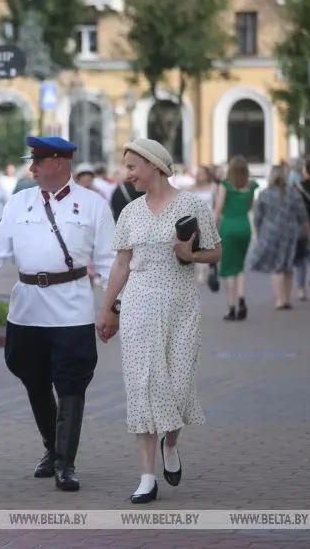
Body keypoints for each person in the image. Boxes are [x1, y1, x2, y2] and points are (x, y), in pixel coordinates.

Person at [0, 136, 117, 492]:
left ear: (59, 163)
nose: (31, 166)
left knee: (71, 382)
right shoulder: (19, 202)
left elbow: (109, 262)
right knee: (34, 378)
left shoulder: (93, 205)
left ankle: (66, 463)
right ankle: (52, 449)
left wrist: (112, 306)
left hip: (72, 309)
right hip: (28, 309)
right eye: (31, 160)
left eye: (38, 160)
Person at [97, 138, 221, 504]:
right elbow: (121, 264)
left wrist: (190, 253)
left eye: (133, 167)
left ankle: (172, 443)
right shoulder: (130, 212)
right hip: (138, 302)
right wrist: (106, 308)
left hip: (182, 304)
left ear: (154, 165)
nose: (128, 174)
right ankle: (147, 476)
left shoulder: (192, 205)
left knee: (178, 386)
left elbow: (215, 251)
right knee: (144, 386)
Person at [249, 165, 310, 310]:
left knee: (276, 267)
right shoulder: (293, 193)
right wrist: (307, 234)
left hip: (270, 233)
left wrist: (258, 235)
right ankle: (287, 298)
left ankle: (279, 299)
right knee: (288, 266)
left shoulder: (264, 194)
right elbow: (303, 216)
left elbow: (257, 218)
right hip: (290, 233)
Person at [214, 156, 258, 320]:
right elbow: (251, 207)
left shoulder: (225, 185)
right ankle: (241, 298)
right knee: (239, 266)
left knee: (228, 267)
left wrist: (212, 228)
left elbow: (218, 208)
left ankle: (231, 307)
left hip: (228, 227)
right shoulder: (251, 186)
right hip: (244, 227)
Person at [295, 160, 310, 300]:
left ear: (306, 171)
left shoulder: (299, 187)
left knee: (300, 259)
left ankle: (301, 289)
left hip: (302, 226)